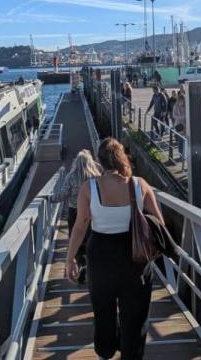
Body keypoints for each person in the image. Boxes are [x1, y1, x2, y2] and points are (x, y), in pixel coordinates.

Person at [66, 138, 164, 359]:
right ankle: (131, 354)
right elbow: (159, 223)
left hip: (100, 256)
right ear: (122, 157)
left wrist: (70, 258)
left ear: (100, 162)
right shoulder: (140, 184)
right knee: (135, 314)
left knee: (103, 310)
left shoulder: (89, 188)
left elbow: (81, 226)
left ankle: (106, 350)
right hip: (135, 257)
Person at [52, 150, 103, 283]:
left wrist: (51, 199)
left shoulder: (71, 176)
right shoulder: (96, 176)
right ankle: (92, 265)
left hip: (74, 211)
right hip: (92, 212)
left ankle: (81, 263)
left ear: (76, 162)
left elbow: (63, 194)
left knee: (76, 239)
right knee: (91, 238)